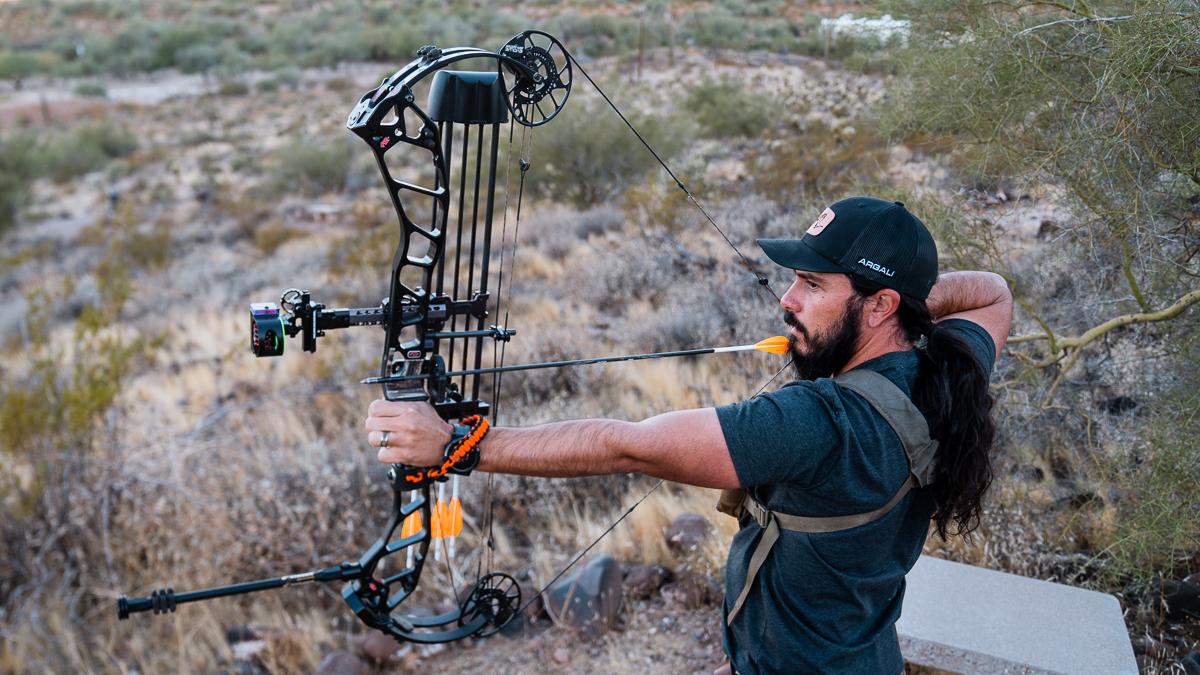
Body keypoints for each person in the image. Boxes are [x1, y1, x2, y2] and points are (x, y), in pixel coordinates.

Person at [364, 196, 1013, 674]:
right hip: (860, 656)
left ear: (877, 308)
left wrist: (458, 445)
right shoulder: (943, 371)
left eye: (812, 284)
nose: (787, 299)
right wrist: (914, 300)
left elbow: (628, 443)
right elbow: (995, 294)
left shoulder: (817, 425)